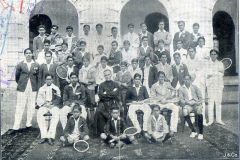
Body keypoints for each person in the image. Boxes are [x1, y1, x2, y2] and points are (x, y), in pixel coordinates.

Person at [8, 48, 40, 135]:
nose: (29, 54)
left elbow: (38, 77)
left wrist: (34, 85)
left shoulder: (36, 64)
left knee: (31, 106)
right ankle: (16, 126)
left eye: (30, 53)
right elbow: (17, 76)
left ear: (32, 54)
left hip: (33, 88)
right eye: (27, 53)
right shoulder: (21, 64)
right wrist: (21, 83)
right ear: (24, 55)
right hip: (23, 88)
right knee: (20, 106)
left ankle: (28, 125)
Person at [37, 73, 61, 145]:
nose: (49, 80)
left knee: (56, 114)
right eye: (47, 79)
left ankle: (51, 136)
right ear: (45, 80)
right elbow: (38, 99)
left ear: (52, 80)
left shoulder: (56, 88)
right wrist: (44, 104)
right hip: (44, 105)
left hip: (53, 106)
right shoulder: (41, 89)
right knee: (39, 113)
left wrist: (52, 104)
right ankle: (44, 135)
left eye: (50, 79)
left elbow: (58, 99)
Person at [95, 69, 120, 136]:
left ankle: (115, 130)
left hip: (113, 101)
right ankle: (102, 132)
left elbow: (116, 94)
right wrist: (111, 93)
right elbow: (101, 95)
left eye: (108, 75)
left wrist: (106, 93)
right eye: (105, 75)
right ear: (104, 76)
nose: (107, 76)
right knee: (99, 111)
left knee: (117, 110)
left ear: (111, 75)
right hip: (103, 102)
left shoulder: (115, 84)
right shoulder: (101, 85)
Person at [179, 75, 204, 140]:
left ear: (190, 80)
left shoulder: (195, 87)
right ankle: (193, 131)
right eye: (185, 79)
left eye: (188, 79)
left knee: (199, 111)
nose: (186, 81)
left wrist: (199, 102)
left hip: (196, 103)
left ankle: (201, 133)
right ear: (184, 80)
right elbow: (181, 99)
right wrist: (187, 102)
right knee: (185, 111)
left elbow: (200, 97)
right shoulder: (181, 88)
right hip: (188, 104)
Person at [205, 49, 225, 126]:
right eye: (212, 54)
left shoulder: (220, 63)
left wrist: (213, 74)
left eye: (214, 54)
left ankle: (218, 119)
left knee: (218, 103)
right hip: (210, 86)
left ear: (217, 55)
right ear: (210, 55)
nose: (213, 56)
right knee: (210, 103)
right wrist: (216, 73)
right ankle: (210, 120)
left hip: (218, 86)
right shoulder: (207, 64)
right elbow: (207, 74)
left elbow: (221, 73)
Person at [79, 56, 96, 126]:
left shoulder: (92, 68)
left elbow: (93, 79)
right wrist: (86, 81)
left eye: (86, 61)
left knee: (91, 104)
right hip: (83, 88)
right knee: (84, 104)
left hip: (91, 88)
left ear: (89, 61)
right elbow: (80, 79)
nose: (85, 62)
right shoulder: (81, 69)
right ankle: (85, 122)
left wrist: (85, 81)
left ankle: (92, 122)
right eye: (84, 61)